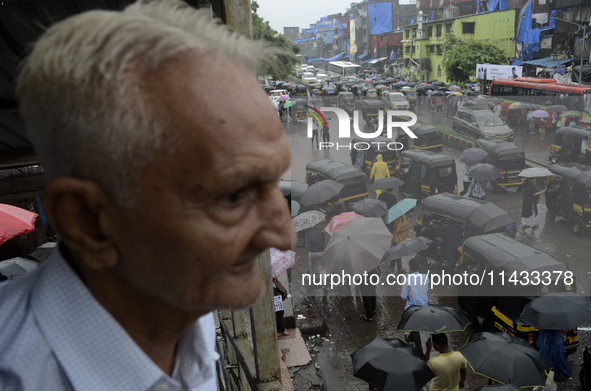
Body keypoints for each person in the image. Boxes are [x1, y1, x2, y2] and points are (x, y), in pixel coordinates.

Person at [0, 1, 293, 389]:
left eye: (274, 181)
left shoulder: (186, 306)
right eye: (233, 195)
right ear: (88, 220)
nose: (283, 236)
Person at [401, 258, 429, 353]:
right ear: (419, 267)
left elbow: (403, 296)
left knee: (415, 330)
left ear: (409, 268)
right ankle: (411, 338)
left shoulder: (408, 280)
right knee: (413, 327)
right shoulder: (425, 277)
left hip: (413, 308)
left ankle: (420, 352)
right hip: (424, 305)